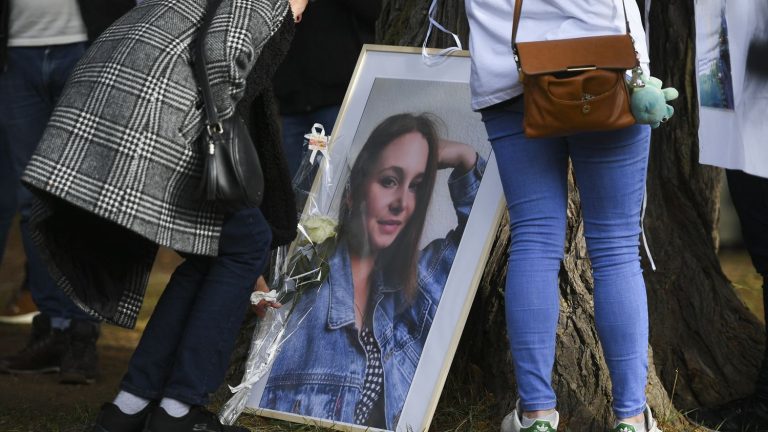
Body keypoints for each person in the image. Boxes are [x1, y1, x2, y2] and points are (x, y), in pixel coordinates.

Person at [18, 0, 307, 430]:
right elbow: (221, 54)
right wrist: (223, 146)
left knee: (214, 252)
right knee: (247, 244)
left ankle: (129, 407)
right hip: (155, 116)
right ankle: (179, 411)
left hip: (125, 101)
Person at [464, 0, 661, 431]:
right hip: (607, 62)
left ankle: (536, 416)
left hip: (508, 68)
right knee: (616, 249)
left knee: (533, 239)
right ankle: (631, 418)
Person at [258, 113, 485, 429]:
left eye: (416, 186)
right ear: (352, 192)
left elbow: (480, 233)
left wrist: (464, 156)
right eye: (389, 180)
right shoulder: (304, 287)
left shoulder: (419, 284)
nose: (402, 203)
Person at [0, 0, 134, 383]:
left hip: (86, 43)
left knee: (84, 197)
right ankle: (53, 327)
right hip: (15, 53)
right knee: (32, 201)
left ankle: (82, 332)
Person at [274, 0, 381, 177]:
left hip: (337, 100)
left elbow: (372, 12)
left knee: (341, 183)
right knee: (297, 191)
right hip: (292, 104)